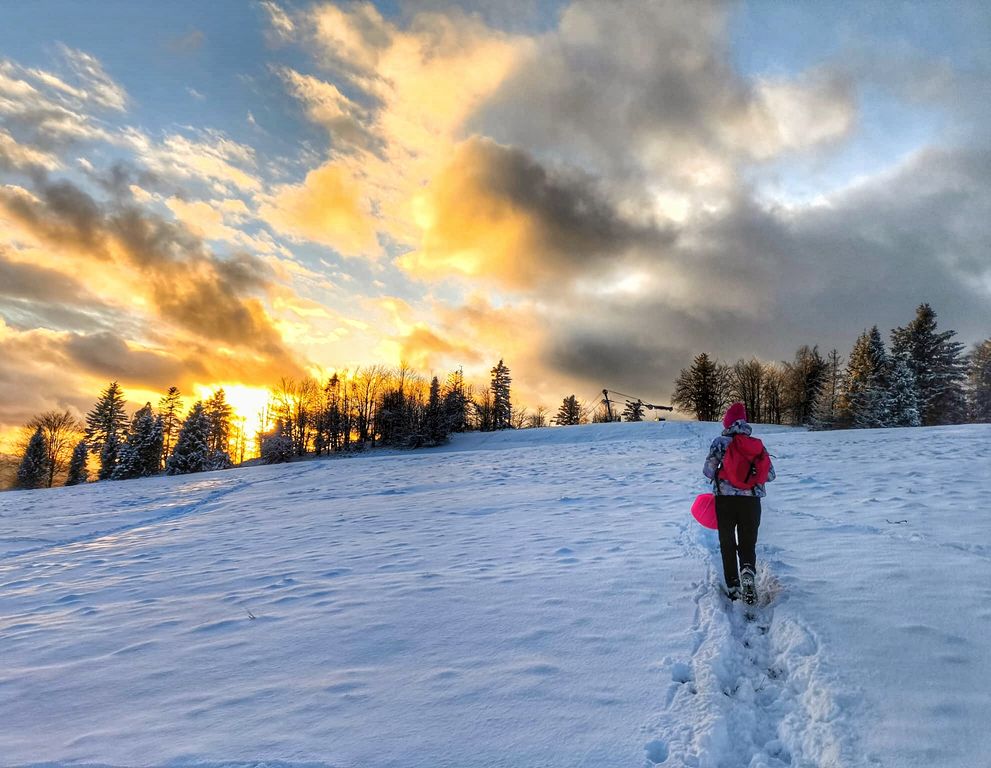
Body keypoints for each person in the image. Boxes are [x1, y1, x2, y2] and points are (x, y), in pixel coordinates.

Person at [703, 402, 775, 604]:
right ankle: (748, 572)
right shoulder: (757, 445)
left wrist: (724, 472)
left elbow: (708, 471)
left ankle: (734, 587)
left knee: (727, 542)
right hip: (751, 502)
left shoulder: (720, 442)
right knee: (747, 543)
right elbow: (770, 475)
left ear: (727, 422)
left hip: (725, 501)